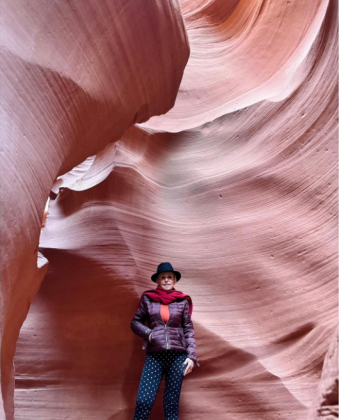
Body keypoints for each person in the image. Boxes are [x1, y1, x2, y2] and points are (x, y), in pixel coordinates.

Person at [130, 262, 200, 420]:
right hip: (155, 355)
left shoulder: (182, 301)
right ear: (158, 280)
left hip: (178, 357)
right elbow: (135, 323)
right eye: (163, 277)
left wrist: (191, 356)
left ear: (174, 280)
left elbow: (188, 329)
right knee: (144, 400)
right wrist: (149, 333)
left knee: (171, 403)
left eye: (170, 277)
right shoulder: (149, 299)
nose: (167, 280)